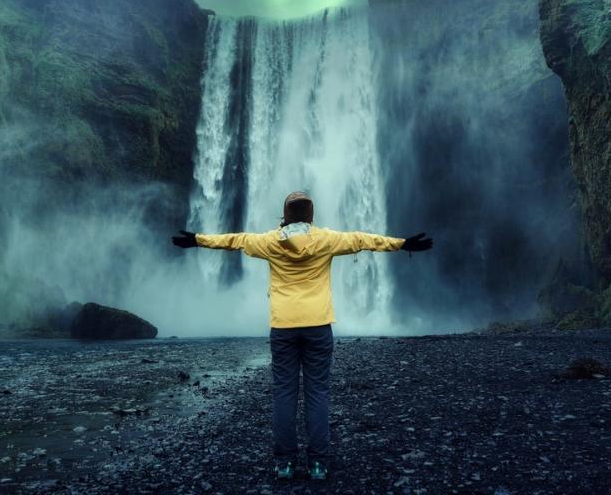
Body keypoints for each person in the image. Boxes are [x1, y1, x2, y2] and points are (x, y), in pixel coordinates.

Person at [172, 190, 433, 482]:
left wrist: (197, 239)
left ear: (285, 216)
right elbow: (363, 239)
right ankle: (318, 465)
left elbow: (234, 240)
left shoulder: (270, 241)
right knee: (317, 393)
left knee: (284, 394)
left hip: (283, 326)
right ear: (311, 215)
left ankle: (284, 464)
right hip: (318, 325)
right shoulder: (326, 239)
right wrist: (403, 244)